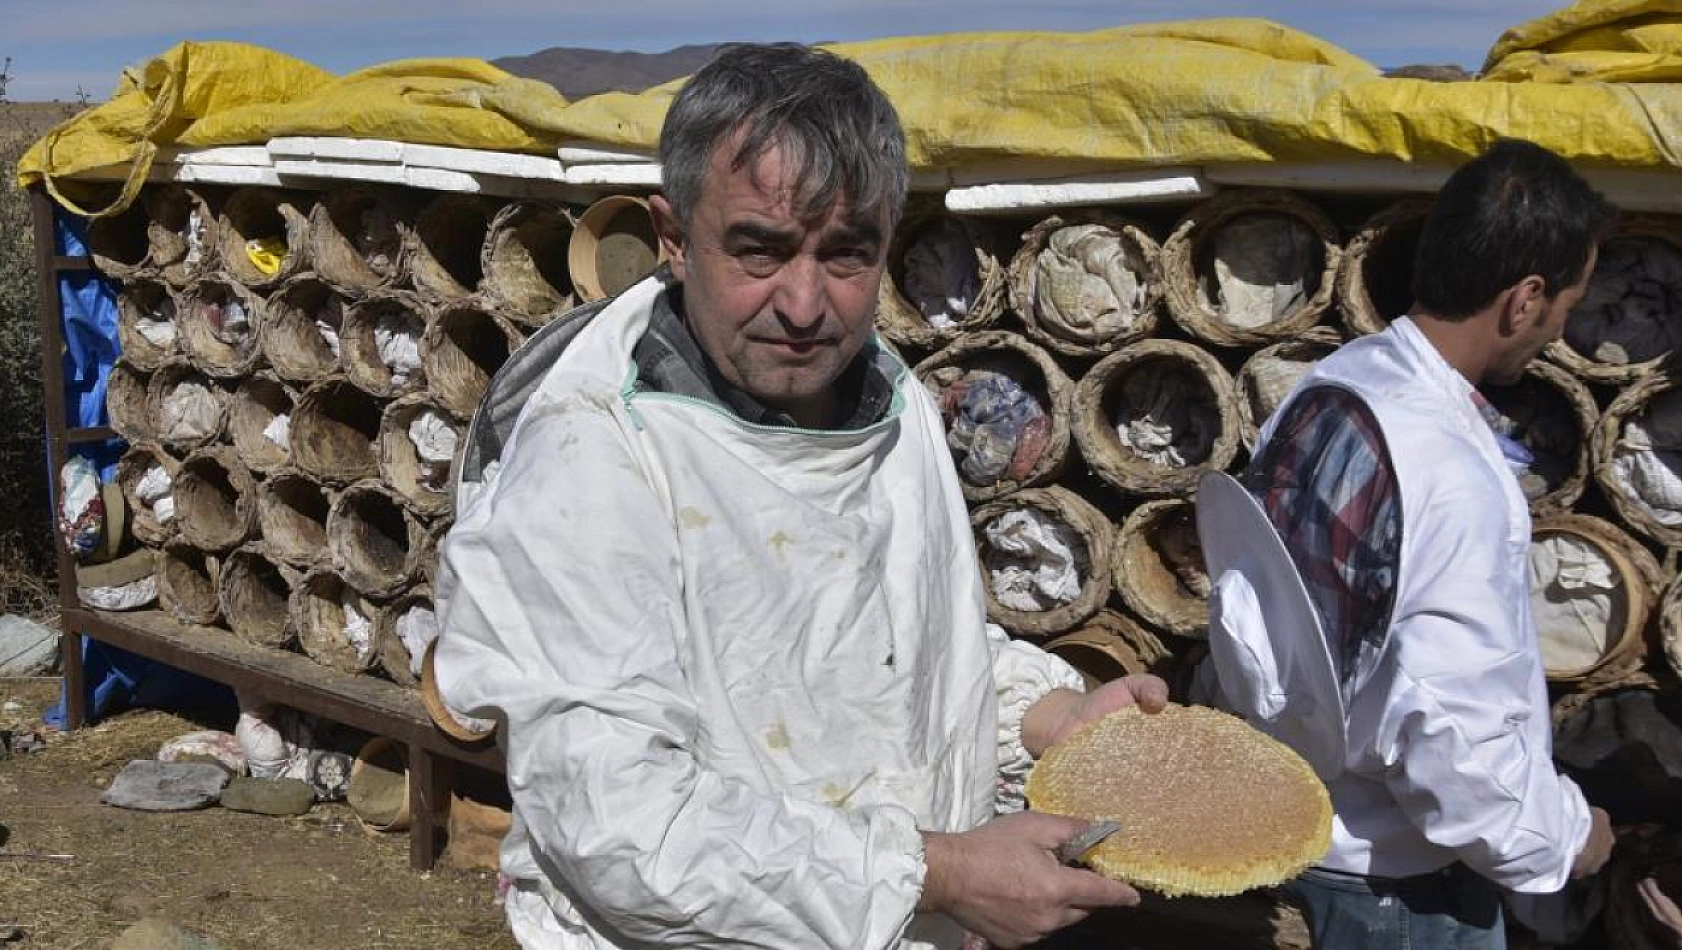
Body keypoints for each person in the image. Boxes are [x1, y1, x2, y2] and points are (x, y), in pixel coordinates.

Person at [433, 42, 1167, 950]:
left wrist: (1052, 718)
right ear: (671, 236)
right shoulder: (591, 459)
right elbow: (622, 828)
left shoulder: (885, 394)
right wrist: (941, 872)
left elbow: (898, 630)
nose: (807, 303)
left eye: (847, 254)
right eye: (760, 250)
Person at [1210, 139, 1618, 949]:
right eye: (1565, 308)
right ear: (1524, 300)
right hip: (1394, 892)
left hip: (1294, 830)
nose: (1557, 332)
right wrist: (1568, 838)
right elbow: (1445, 735)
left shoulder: (1333, 386)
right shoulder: (1448, 467)